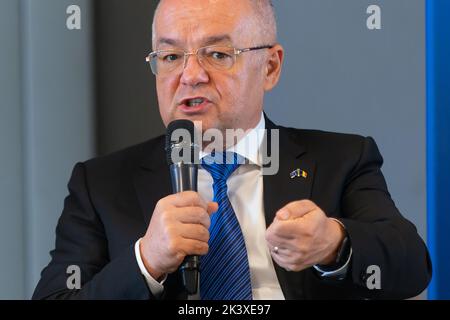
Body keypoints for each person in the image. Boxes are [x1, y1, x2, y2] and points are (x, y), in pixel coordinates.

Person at [33, 0, 431, 300]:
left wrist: (334, 242)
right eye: (171, 56)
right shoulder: (100, 183)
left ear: (270, 67)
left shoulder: (341, 159)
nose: (190, 75)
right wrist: (145, 261)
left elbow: (411, 265)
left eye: (218, 54)